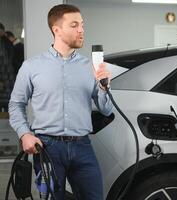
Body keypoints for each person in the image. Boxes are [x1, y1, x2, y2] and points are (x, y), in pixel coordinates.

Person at [8, 4, 113, 200]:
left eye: (82, 25)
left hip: (82, 147)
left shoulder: (89, 67)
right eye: (74, 25)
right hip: (46, 148)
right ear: (56, 30)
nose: (81, 30)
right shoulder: (31, 66)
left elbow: (107, 110)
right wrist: (25, 135)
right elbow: (16, 104)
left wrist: (103, 87)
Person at [0, 22, 14, 112]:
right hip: (5, 77)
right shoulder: (6, 42)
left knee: (8, 105)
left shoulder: (6, 42)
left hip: (8, 76)